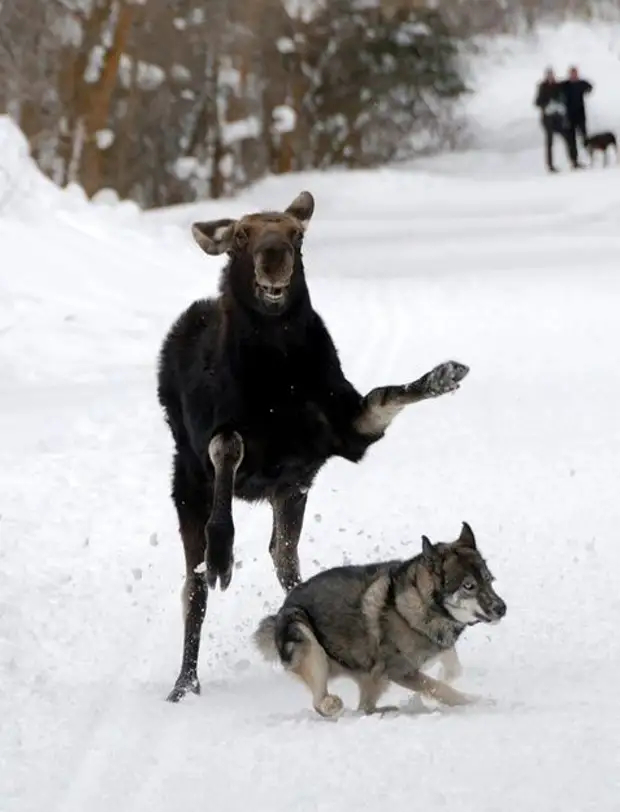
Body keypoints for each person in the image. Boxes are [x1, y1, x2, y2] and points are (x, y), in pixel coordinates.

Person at [534, 67, 581, 173]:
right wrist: (546, 105)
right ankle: (550, 165)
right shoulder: (542, 87)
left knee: (568, 136)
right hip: (547, 118)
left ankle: (574, 161)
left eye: (552, 75)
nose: (551, 77)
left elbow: (563, 96)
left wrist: (560, 105)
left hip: (558, 118)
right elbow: (537, 102)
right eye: (549, 75)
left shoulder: (558, 86)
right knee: (549, 141)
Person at [563, 65, 593, 148]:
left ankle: (588, 150)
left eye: (575, 73)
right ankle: (574, 157)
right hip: (570, 115)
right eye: (572, 74)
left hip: (580, 113)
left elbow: (590, 86)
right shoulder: (566, 85)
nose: (574, 75)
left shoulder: (581, 83)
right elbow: (556, 89)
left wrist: (587, 90)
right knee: (571, 137)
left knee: (584, 134)